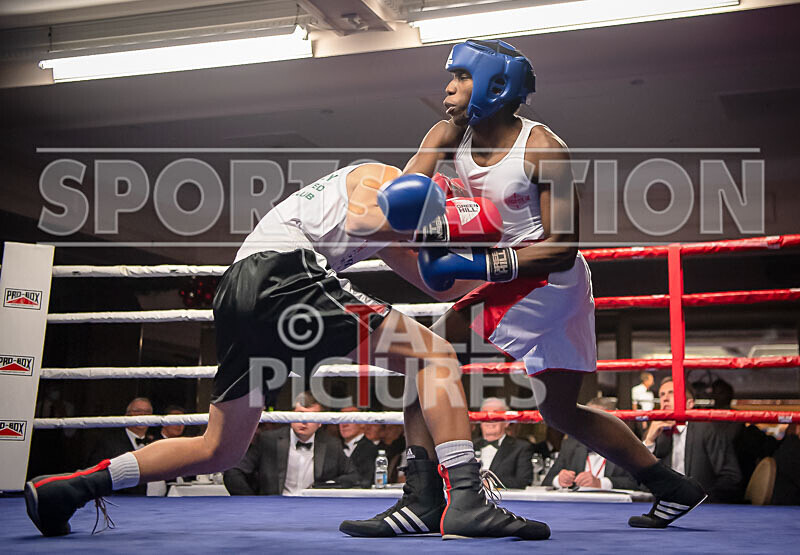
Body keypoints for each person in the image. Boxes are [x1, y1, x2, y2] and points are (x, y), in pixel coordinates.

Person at [25, 162, 548, 540]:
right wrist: (434, 221)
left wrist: (501, 265)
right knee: (435, 357)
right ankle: (464, 499)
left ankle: (71, 488)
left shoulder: (399, 226)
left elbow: (436, 283)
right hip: (284, 275)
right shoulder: (379, 177)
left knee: (220, 448)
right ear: (437, 193)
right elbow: (369, 220)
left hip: (240, 293)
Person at [347, 38, 706, 533]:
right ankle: (672, 486)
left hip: (547, 279)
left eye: (461, 79)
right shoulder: (448, 132)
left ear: (497, 86)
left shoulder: (542, 149)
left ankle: (424, 500)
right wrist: (434, 206)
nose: (448, 89)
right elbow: (406, 199)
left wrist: (468, 264)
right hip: (531, 279)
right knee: (560, 410)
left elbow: (562, 245)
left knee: (426, 358)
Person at [223, 392, 351, 495]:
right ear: (290, 416)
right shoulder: (268, 440)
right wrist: (251, 503)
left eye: (311, 416)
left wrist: (327, 486)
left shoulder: (332, 445)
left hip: (315, 508)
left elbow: (354, 476)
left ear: (320, 422)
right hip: (273, 509)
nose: (304, 421)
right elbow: (233, 472)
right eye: (300, 415)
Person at [644, 378, 742, 503]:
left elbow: (731, 477)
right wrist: (649, 442)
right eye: (662, 394)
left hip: (703, 508)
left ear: (689, 404)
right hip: (664, 506)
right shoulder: (655, 431)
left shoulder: (707, 429)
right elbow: (640, 477)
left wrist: (704, 500)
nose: (665, 398)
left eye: (672, 393)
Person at [544, 398, 640, 491]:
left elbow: (637, 484)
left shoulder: (627, 447)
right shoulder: (571, 445)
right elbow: (546, 481)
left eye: (597, 420)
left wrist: (601, 483)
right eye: (587, 420)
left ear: (613, 423)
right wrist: (558, 480)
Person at [84, 397, 154, 495]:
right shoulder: (109, 442)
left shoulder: (156, 442)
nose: (142, 415)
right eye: (137, 411)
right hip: (120, 501)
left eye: (147, 412)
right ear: (127, 415)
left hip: (156, 502)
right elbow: (96, 473)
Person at [474, 398, 534, 489]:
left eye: (496, 415)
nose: (490, 420)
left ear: (507, 422)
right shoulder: (469, 447)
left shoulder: (521, 448)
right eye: (485, 415)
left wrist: (490, 483)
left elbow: (524, 481)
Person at [338, 406, 379, 488]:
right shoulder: (333, 447)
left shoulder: (370, 449)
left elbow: (365, 480)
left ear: (362, 423)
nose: (344, 424)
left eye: (350, 419)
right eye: (341, 419)